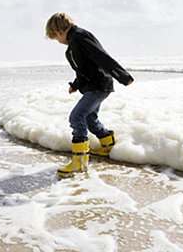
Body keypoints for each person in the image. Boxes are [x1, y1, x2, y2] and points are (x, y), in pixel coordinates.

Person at [45, 12, 134, 177]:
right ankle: (107, 144)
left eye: (55, 38)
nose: (58, 42)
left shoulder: (80, 36)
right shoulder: (74, 41)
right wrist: (76, 85)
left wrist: (122, 75)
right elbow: (84, 68)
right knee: (88, 117)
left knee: (76, 117)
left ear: (58, 32)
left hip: (99, 86)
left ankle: (79, 161)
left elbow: (101, 56)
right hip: (95, 85)